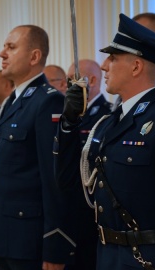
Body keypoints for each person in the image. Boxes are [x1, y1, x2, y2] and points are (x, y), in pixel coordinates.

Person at [56, 14, 155, 269]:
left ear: (136, 67)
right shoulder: (108, 123)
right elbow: (69, 183)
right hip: (106, 257)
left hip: (146, 260)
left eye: (112, 58)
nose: (104, 66)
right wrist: (69, 124)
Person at [0, 25, 75, 270]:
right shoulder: (13, 101)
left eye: (11, 47)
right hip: (3, 235)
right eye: (4, 47)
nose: (2, 53)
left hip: (29, 240)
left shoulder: (48, 101)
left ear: (34, 57)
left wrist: (55, 244)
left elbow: (54, 179)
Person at [58, 59, 112, 270]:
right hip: (69, 215)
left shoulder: (106, 115)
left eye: (73, 79)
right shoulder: (70, 115)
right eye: (67, 80)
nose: (68, 86)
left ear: (92, 80)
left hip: (91, 218)